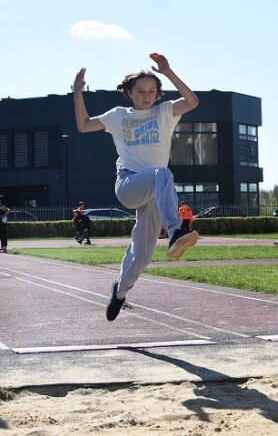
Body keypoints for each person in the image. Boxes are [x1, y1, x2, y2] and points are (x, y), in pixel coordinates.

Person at [72, 52, 200, 321]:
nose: (147, 96)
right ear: (129, 93)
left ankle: (119, 291)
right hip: (130, 184)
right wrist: (77, 93)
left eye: (152, 91)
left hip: (154, 193)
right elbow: (83, 126)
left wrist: (169, 72)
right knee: (162, 173)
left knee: (142, 254)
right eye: (140, 91)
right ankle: (176, 231)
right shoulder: (119, 116)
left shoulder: (164, 112)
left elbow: (192, 102)